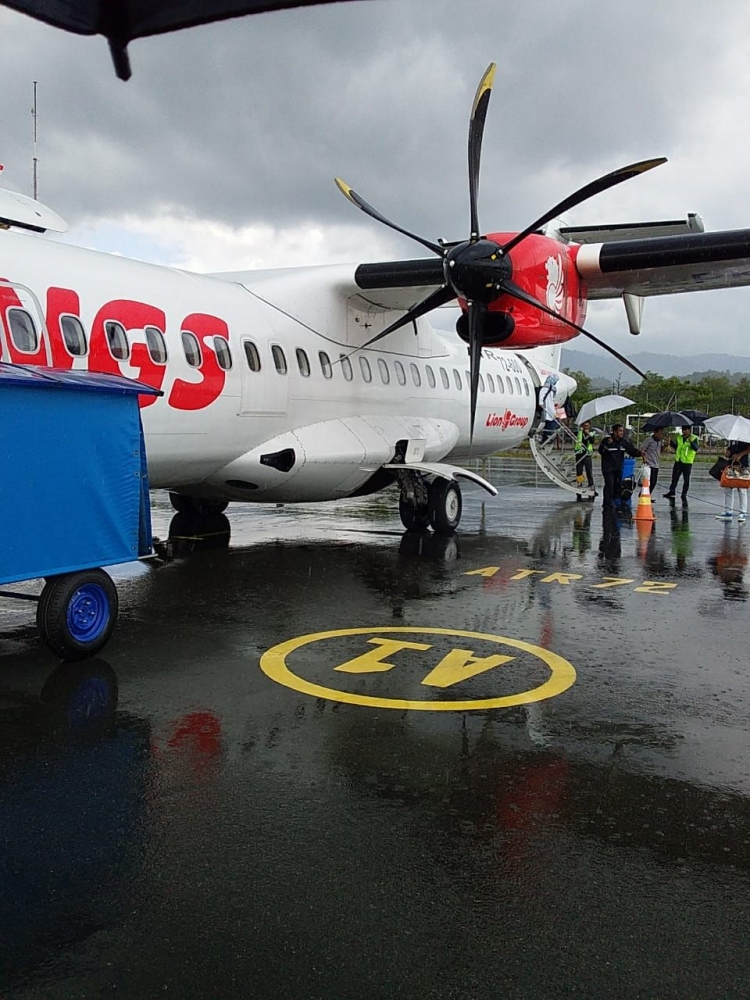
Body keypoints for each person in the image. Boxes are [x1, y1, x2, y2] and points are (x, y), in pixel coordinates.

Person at [597, 423, 642, 511]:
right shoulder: (607, 441)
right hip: (608, 469)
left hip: (618, 468)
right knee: (609, 485)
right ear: (614, 432)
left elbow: (631, 450)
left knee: (617, 486)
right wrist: (605, 445)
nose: (622, 433)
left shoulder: (623, 442)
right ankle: (607, 504)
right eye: (620, 431)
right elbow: (601, 451)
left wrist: (640, 453)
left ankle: (613, 500)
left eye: (622, 431)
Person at [716, 439, 750, 522]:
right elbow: (731, 448)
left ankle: (743, 512)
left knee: (742, 489)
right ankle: (728, 512)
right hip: (731, 464)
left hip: (742, 465)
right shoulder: (733, 437)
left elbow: (749, 449)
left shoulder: (746, 435)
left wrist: (740, 455)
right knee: (728, 488)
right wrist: (728, 451)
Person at [664, 425, 699, 501]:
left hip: (687, 462)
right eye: (683, 430)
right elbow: (678, 447)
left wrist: (691, 442)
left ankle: (684, 493)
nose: (684, 431)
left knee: (686, 479)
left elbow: (695, 448)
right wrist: (671, 443)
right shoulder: (679, 437)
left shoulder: (694, 438)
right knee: (675, 477)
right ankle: (672, 491)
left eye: (685, 430)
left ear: (689, 430)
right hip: (678, 461)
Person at [574, 420, 596, 501]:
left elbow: (592, 441)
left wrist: (588, 434)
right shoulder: (579, 432)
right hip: (579, 454)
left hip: (587, 455)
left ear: (589, 426)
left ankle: (591, 487)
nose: (586, 427)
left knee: (589, 472)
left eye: (587, 426)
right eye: (584, 426)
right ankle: (579, 488)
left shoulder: (592, 433)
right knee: (579, 472)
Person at [640, 427, 664, 497]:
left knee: (654, 482)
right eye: (660, 433)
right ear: (655, 433)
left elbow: (660, 451)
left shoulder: (659, 442)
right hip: (649, 464)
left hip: (656, 463)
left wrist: (665, 445)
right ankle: (644, 495)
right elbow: (642, 449)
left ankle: (647, 494)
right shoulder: (649, 440)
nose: (661, 435)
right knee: (649, 482)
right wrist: (644, 458)